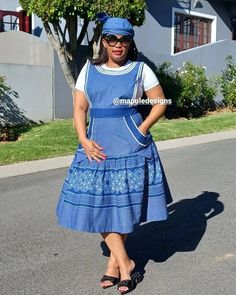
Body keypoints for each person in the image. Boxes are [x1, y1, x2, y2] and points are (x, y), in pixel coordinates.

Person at [56, 13, 173, 294]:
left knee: (123, 205)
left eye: (124, 40)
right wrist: (83, 138)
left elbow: (160, 102)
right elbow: (80, 108)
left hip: (132, 146)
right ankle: (126, 262)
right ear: (104, 41)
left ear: (130, 42)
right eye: (112, 39)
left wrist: (141, 129)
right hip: (97, 147)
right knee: (98, 206)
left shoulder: (141, 69)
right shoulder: (89, 69)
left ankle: (113, 266)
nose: (118, 45)